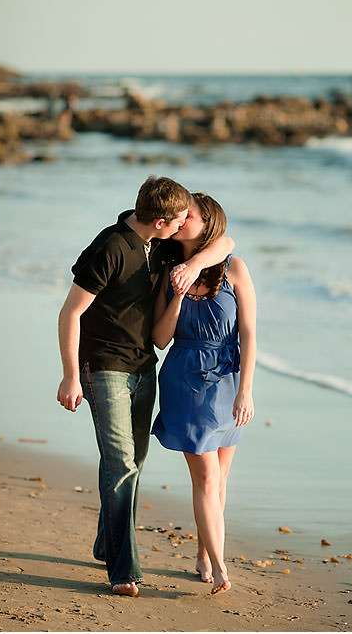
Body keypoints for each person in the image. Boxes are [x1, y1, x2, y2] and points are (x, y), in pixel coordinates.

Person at [57, 176, 234, 597]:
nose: (182, 226)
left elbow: (225, 241)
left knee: (129, 463)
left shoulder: (165, 245)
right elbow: (70, 313)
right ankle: (124, 570)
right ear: (159, 221)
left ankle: (107, 540)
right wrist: (69, 374)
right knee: (121, 465)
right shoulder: (110, 248)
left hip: (143, 369)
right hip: (103, 368)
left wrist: (191, 265)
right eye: (178, 220)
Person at [151, 192, 256, 595]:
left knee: (220, 478)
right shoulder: (171, 271)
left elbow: (248, 333)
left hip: (228, 380)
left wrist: (246, 390)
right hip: (186, 380)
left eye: (187, 215)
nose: (179, 220)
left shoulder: (235, 268)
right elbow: (161, 339)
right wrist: (178, 293)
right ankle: (221, 564)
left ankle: (202, 555)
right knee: (207, 478)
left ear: (206, 221)